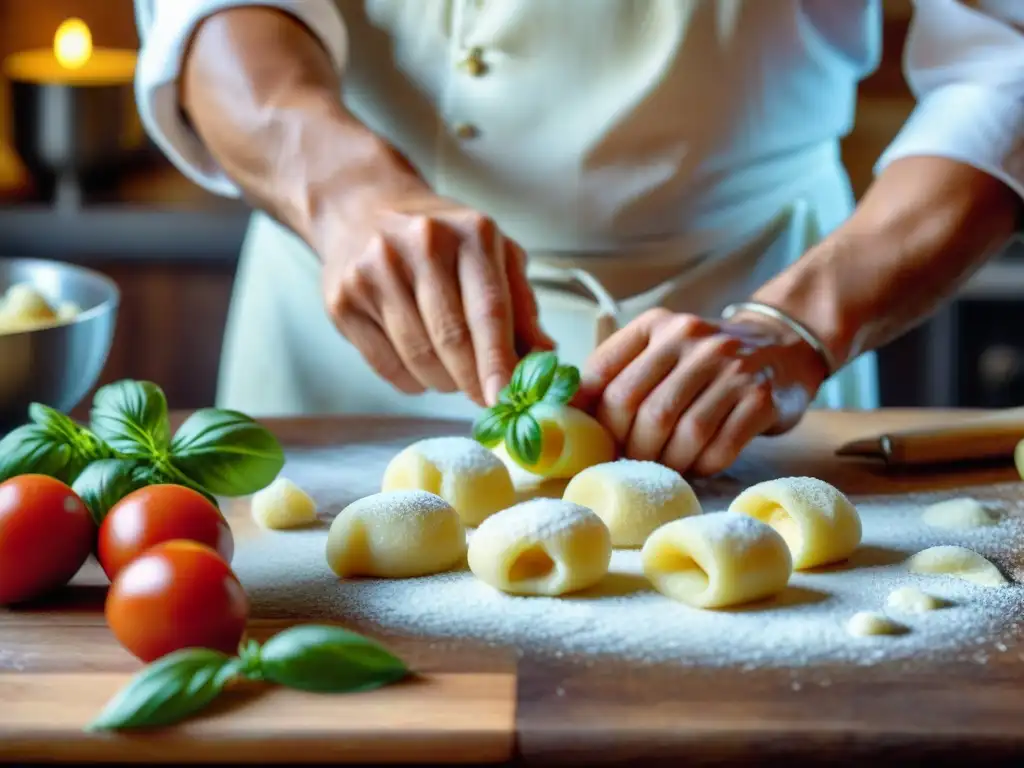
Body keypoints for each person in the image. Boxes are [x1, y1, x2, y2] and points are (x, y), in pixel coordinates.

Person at [132, 0, 1022, 476]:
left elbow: (1006, 63)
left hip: (749, 323)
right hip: (333, 315)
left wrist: (796, 323)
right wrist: (343, 191)